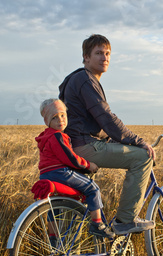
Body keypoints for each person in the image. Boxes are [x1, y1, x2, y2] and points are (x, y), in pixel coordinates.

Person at [58, 34, 155, 235]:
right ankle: (125, 220)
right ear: (86, 57)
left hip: (72, 146)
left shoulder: (76, 79)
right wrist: (138, 141)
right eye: (99, 53)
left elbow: (90, 119)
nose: (105, 58)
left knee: (75, 208)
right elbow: (106, 117)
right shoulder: (86, 80)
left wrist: (112, 138)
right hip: (85, 146)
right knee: (142, 157)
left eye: (108, 53)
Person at [36, 98, 115, 239]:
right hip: (60, 173)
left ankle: (54, 238)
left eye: (63, 115)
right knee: (92, 188)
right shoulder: (57, 136)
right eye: (54, 117)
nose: (60, 120)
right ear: (48, 121)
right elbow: (70, 158)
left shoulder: (46, 136)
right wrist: (88, 165)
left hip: (46, 174)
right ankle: (97, 224)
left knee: (55, 208)